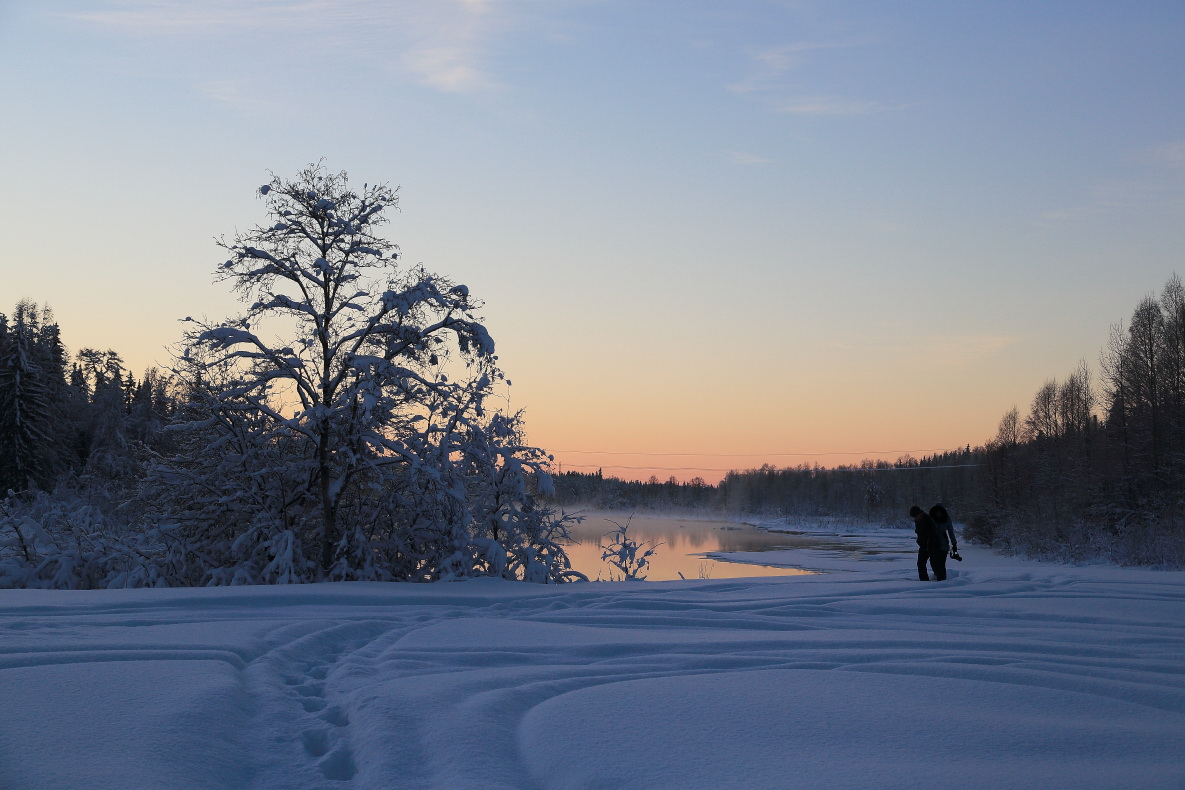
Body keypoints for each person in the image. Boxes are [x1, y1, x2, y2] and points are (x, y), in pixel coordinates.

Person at [909, 505, 946, 581]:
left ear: (919, 514)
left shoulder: (928, 520)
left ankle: (941, 580)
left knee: (935, 563)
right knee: (920, 563)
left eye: (916, 516)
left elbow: (933, 534)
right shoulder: (917, 521)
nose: (915, 518)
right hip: (923, 545)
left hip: (933, 545)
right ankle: (924, 581)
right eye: (914, 517)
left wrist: (929, 542)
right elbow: (919, 532)